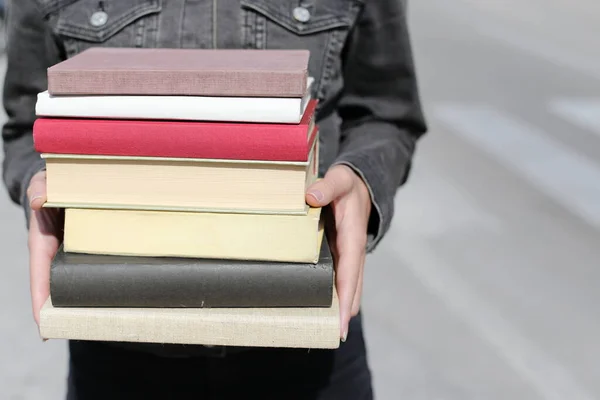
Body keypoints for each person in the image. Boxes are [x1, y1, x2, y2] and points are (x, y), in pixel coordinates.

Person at [2, 0, 427, 398]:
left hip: (307, 338)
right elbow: (27, 125)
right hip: (116, 341)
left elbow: (386, 111)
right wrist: (41, 184)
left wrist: (361, 177)